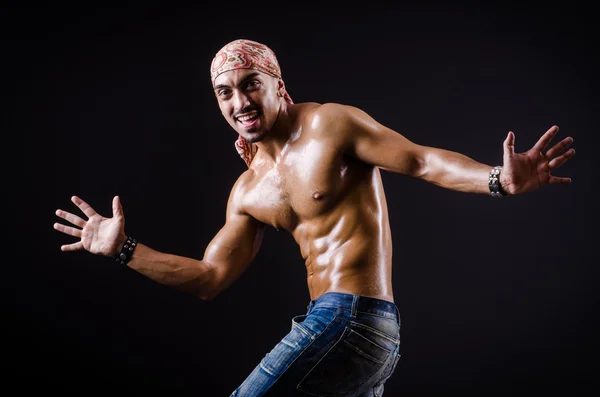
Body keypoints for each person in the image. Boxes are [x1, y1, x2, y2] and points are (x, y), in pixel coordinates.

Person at [53, 38, 575, 396]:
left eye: (250, 84)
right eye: (225, 92)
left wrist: (496, 180)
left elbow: (417, 159)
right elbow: (210, 278)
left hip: (351, 319)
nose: (240, 101)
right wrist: (123, 250)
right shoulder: (247, 190)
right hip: (351, 338)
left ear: (278, 84)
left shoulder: (329, 124)